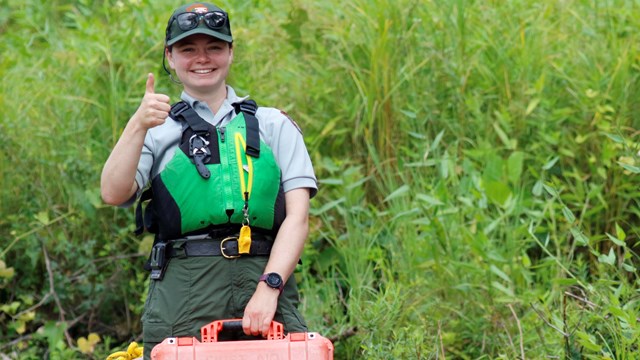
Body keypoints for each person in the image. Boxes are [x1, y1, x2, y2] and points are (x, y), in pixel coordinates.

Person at [100, 2, 317, 358]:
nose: (203, 58)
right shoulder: (155, 130)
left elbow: (298, 217)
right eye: (188, 49)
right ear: (170, 57)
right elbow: (112, 191)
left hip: (263, 274)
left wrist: (270, 287)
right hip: (183, 287)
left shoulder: (274, 124)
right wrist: (137, 124)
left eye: (214, 47)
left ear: (230, 52)